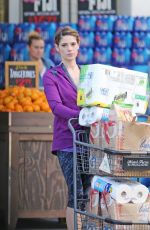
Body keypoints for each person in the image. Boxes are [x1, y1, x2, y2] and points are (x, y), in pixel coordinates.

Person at [43, 26, 90, 230]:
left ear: (78, 46)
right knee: (76, 192)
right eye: (64, 45)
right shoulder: (51, 75)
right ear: (57, 48)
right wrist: (83, 116)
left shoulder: (89, 74)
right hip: (67, 140)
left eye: (73, 44)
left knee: (89, 191)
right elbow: (56, 107)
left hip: (91, 141)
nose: (69, 49)